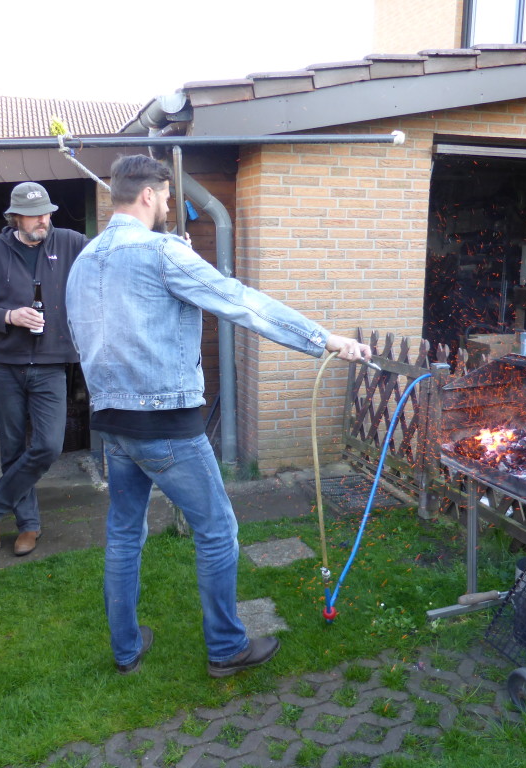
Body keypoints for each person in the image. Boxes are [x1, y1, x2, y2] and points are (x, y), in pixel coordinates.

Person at [66, 155, 373, 676]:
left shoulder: (83, 260)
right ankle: (227, 648)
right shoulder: (162, 252)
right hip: (166, 428)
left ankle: (125, 649)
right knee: (216, 530)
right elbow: (239, 301)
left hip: (111, 425)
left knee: (123, 534)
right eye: (166, 196)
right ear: (148, 194)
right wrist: (323, 340)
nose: (168, 205)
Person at [0, 182, 89, 556]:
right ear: (15, 217)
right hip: (5, 365)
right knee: (12, 448)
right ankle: (29, 525)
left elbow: (112, 252)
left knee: (48, 446)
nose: (45, 219)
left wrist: (164, 244)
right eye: (36, 214)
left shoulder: (69, 242)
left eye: (47, 212)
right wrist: (8, 315)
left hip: (51, 363)